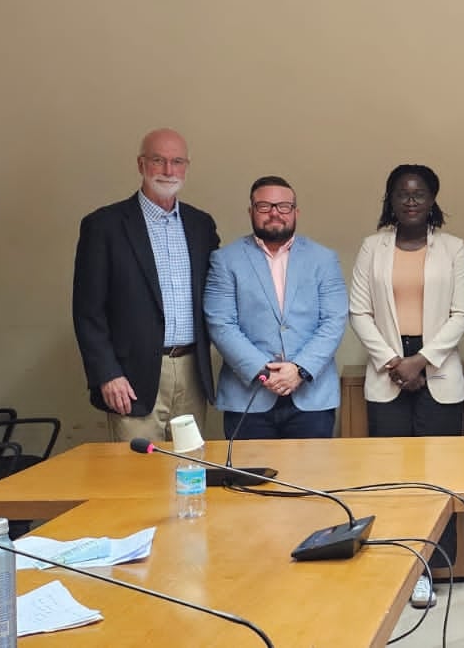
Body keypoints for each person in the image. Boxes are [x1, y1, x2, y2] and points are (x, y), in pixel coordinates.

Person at [348, 164, 464, 610]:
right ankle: (399, 568)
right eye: (403, 193)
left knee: (439, 479)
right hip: (388, 371)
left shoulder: (454, 249)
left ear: (433, 198)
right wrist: (393, 361)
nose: (412, 200)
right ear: (391, 199)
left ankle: (433, 567)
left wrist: (423, 359)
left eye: (420, 193)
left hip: (437, 371)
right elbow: (359, 312)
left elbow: (462, 313)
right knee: (392, 480)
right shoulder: (372, 248)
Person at [73, 128, 219, 443]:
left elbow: (216, 297)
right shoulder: (104, 226)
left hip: (193, 371)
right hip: (132, 377)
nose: (168, 171)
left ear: (186, 167)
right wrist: (108, 374)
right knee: (134, 478)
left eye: (177, 162)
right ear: (141, 164)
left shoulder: (201, 226)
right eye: (158, 160)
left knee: (190, 468)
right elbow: (88, 312)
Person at [204, 176, 348, 439]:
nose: (274, 213)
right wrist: (264, 370)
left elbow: (334, 320)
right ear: (251, 211)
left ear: (295, 212)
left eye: (283, 206)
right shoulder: (225, 260)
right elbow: (220, 323)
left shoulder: (323, 259)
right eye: (264, 207)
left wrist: (299, 370)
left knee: (311, 479)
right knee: (249, 478)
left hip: (311, 398)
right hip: (249, 397)